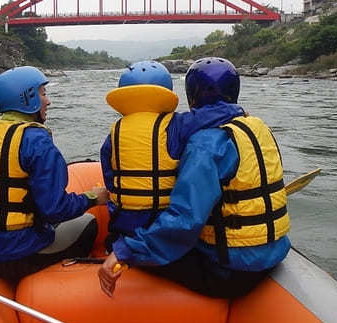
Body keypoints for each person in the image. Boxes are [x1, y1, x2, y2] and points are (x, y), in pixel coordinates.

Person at [99, 57, 291, 298]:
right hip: (276, 252)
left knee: (116, 243)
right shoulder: (257, 126)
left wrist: (126, 250)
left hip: (228, 272)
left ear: (192, 96)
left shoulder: (204, 144)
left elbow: (186, 219)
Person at [0, 66, 108, 285]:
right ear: (28, 99)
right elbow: (55, 210)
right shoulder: (39, 143)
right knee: (89, 224)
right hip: (22, 256)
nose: (48, 101)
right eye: (43, 94)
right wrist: (93, 197)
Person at [100, 60, 243, 251]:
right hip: (161, 230)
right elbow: (211, 114)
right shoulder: (176, 125)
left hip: (123, 228)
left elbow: (111, 181)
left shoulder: (114, 134)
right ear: (166, 93)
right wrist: (237, 111)